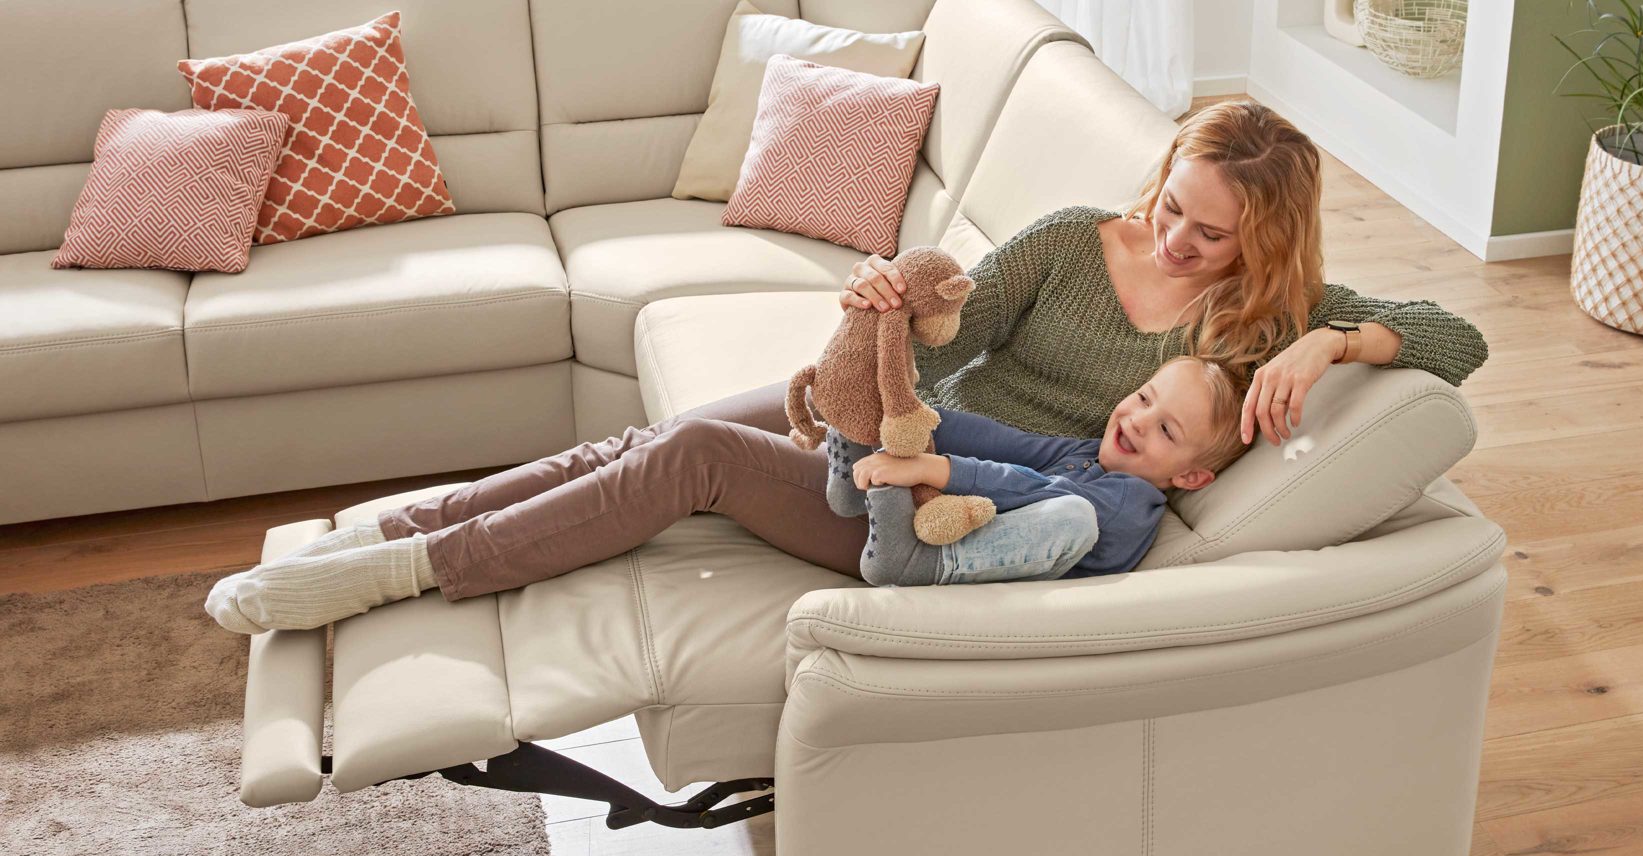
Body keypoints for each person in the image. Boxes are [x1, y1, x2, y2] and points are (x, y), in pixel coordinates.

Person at [203, 100, 1489, 633]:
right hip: (902, 419)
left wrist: (1328, 335)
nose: (1175, 242)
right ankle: (399, 524)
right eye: (1171, 208)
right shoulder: (1069, 242)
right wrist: (896, 313)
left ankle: (403, 576)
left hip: (924, 498)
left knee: (691, 456)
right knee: (644, 443)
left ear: (1264, 239)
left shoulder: (1268, 316)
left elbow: (1458, 340)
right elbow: (953, 341)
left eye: (1210, 235)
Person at [856, 355, 1249, 587]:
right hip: (937, 533)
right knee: (867, 417)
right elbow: (1011, 444)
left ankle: (924, 563)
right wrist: (917, 419)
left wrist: (939, 469)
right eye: (1144, 398)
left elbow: (1035, 490)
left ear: (1190, 477)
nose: (1140, 420)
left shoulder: (1132, 503)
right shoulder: (1091, 454)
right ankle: (849, 478)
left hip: (979, 583)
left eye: (1166, 430)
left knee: (1073, 515)